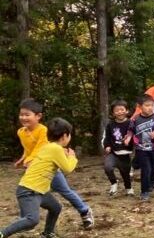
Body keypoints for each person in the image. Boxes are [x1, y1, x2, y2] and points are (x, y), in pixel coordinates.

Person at [14, 98, 94, 230]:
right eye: (21, 114)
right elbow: (28, 149)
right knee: (31, 192)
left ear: (38, 116)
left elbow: (41, 148)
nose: (23, 117)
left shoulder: (43, 130)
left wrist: (29, 161)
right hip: (36, 167)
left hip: (49, 167)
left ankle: (84, 211)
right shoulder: (21, 132)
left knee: (64, 190)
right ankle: (26, 221)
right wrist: (23, 158)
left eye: (27, 115)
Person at [0, 118, 79, 238]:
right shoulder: (55, 149)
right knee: (32, 220)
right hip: (29, 190)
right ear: (65, 136)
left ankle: (47, 235)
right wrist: (72, 157)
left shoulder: (49, 147)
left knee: (55, 207)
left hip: (39, 190)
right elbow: (67, 168)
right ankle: (2, 233)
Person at [126, 94, 154, 201]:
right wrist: (128, 138)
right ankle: (144, 192)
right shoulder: (135, 119)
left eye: (152, 105)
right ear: (140, 106)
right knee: (146, 169)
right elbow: (130, 130)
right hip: (141, 149)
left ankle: (152, 183)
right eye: (147, 105)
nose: (150, 108)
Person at [102, 99, 134, 196]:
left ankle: (128, 188)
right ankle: (114, 183)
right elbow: (107, 137)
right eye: (117, 110)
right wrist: (107, 146)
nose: (120, 112)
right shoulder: (110, 124)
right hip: (113, 152)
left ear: (127, 111)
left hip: (125, 153)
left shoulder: (131, 123)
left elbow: (135, 136)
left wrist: (130, 142)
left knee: (125, 173)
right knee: (107, 167)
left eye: (122, 109)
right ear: (113, 113)